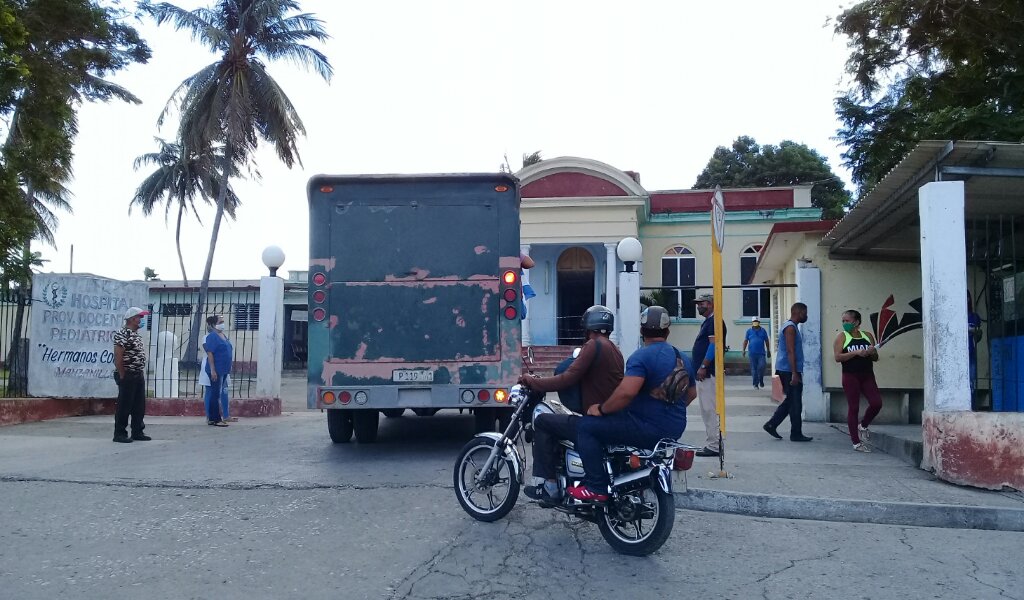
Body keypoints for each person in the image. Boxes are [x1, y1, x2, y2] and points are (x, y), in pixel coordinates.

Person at [566, 305, 697, 502]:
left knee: (587, 427)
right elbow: (692, 394)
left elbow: (626, 393)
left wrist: (601, 409)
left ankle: (595, 487)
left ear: (642, 331)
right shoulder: (683, 358)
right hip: (674, 430)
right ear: (668, 331)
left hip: (645, 428)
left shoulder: (641, 356)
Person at [518, 305, 624, 502]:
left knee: (542, 421)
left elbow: (567, 378)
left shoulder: (593, 346)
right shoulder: (615, 350)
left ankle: (549, 486)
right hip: (611, 418)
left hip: (596, 421)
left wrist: (533, 381)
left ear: (587, 326)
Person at [763, 302, 813, 442]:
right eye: (805, 313)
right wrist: (794, 373)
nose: (806, 316)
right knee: (795, 402)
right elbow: (791, 351)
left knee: (792, 400)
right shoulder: (790, 328)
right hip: (788, 370)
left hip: (787, 369)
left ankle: (772, 424)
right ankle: (795, 433)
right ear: (799, 312)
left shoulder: (791, 327)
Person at [833, 309, 881, 452]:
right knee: (853, 407)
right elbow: (837, 357)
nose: (844, 323)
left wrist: (872, 352)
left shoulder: (867, 336)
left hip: (867, 374)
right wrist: (855, 353)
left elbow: (876, 357)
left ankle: (863, 425)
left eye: (847, 321)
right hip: (850, 375)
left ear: (856, 322)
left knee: (876, 403)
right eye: (843, 321)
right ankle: (856, 442)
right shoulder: (841, 337)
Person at [692, 293, 727, 457]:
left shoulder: (714, 322)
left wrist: (703, 366)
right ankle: (713, 442)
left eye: (702, 303)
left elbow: (713, 346)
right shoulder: (709, 322)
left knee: (709, 409)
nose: (699, 306)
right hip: (706, 373)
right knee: (707, 409)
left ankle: (714, 445)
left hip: (708, 373)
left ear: (711, 304)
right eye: (698, 304)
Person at [113, 307, 150, 443]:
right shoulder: (123, 334)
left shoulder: (136, 334)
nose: (141, 320)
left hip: (138, 373)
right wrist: (122, 374)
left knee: (139, 406)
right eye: (139, 317)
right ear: (132, 319)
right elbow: (118, 355)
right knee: (124, 405)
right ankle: (120, 433)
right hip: (127, 374)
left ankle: (137, 431)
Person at [203, 314, 233, 427]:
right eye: (220, 322)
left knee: (217, 393)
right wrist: (213, 370)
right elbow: (210, 353)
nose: (222, 324)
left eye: (222, 322)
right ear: (213, 325)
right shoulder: (212, 336)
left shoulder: (223, 335)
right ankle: (215, 418)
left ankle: (212, 418)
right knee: (215, 394)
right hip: (216, 369)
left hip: (224, 369)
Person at [742, 317, 770, 389]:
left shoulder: (763, 331)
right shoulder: (749, 331)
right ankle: (755, 384)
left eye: (756, 321)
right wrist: (743, 350)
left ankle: (761, 379)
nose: (755, 322)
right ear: (752, 322)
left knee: (762, 366)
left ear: (759, 322)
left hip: (761, 353)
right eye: (754, 321)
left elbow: (766, 341)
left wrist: (768, 350)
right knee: (754, 369)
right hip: (752, 353)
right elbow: (745, 341)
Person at [968, 293, 982, 398]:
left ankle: (972, 405)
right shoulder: (955, 316)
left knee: (971, 380)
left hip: (971, 352)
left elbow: (979, 334)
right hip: (958, 354)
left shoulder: (974, 317)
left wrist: (973, 330)